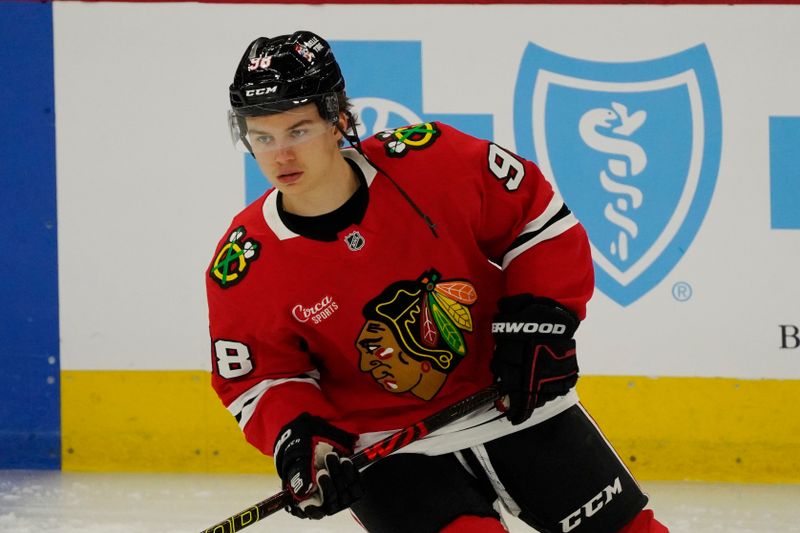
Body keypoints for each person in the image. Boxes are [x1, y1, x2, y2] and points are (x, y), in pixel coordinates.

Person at [206, 30, 669, 533]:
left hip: (513, 403)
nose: (280, 156)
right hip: (387, 449)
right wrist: (304, 443)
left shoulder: (432, 163)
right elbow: (261, 378)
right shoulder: (243, 263)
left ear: (338, 118)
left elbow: (535, 220)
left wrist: (542, 322)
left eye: (298, 131)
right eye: (262, 137)